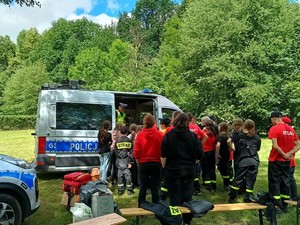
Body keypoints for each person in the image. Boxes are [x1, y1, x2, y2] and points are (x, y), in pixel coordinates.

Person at [161, 113, 203, 225]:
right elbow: (200, 154)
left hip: (172, 171)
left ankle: (176, 221)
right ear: (187, 122)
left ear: (175, 121)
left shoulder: (169, 135)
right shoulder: (193, 136)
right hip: (188, 171)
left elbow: (163, 154)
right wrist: (193, 162)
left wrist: (164, 168)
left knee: (174, 198)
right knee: (187, 198)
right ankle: (187, 222)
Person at [268, 111, 300, 212]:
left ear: (274, 118)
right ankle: (285, 205)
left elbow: (275, 145)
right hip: (287, 161)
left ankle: (276, 206)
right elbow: (298, 145)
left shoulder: (274, 128)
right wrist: (289, 154)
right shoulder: (291, 129)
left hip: (276, 160)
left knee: (274, 182)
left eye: (271, 120)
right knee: (285, 182)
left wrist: (283, 154)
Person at [134, 114, 164, 207]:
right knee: (155, 187)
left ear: (144, 122)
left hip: (143, 163)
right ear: (154, 122)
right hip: (156, 163)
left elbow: (137, 151)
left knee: (143, 187)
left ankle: (141, 207)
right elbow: (163, 149)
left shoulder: (140, 135)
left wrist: (138, 161)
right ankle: (156, 208)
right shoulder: (160, 134)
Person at [228, 119, 261, 203]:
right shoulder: (257, 138)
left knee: (237, 179)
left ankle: (232, 196)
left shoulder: (239, 136)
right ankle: (248, 196)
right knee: (251, 180)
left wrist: (232, 148)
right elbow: (258, 149)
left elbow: (233, 144)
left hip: (243, 161)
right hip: (254, 161)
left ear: (244, 126)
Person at [282, 116, 299, 200]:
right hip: (291, 161)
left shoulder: (285, 133)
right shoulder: (292, 132)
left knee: (286, 180)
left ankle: (287, 197)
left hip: (285, 161)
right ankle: (294, 196)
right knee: (291, 179)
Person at [115, 126, 134, 195]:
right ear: (127, 132)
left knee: (119, 175)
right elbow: (132, 152)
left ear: (120, 132)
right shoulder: (130, 141)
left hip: (119, 161)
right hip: (127, 161)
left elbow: (116, 152)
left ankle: (120, 190)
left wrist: (121, 155)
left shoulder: (117, 141)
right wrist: (130, 162)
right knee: (128, 175)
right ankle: (129, 189)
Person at [201, 116, 217, 191]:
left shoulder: (204, 132)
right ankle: (214, 185)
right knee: (212, 169)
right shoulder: (213, 133)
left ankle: (208, 186)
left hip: (205, 152)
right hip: (212, 153)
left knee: (206, 169)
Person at [216, 122, 231, 191]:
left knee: (223, 170)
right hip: (227, 154)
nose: (218, 127)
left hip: (222, 155)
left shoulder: (221, 136)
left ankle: (226, 185)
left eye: (219, 126)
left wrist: (217, 154)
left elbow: (218, 145)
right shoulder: (227, 135)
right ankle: (227, 183)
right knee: (225, 168)